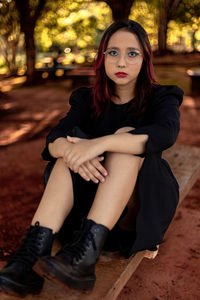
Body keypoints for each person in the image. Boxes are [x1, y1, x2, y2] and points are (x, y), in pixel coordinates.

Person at [0, 19, 183, 297]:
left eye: (132, 53)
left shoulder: (163, 97)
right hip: (84, 213)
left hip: (137, 210)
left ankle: (85, 260)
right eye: (113, 52)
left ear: (145, 59)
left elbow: (165, 134)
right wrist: (75, 152)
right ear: (102, 58)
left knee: (123, 140)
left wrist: (98, 145)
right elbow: (53, 141)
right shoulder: (86, 99)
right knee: (65, 154)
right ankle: (31, 255)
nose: (121, 62)